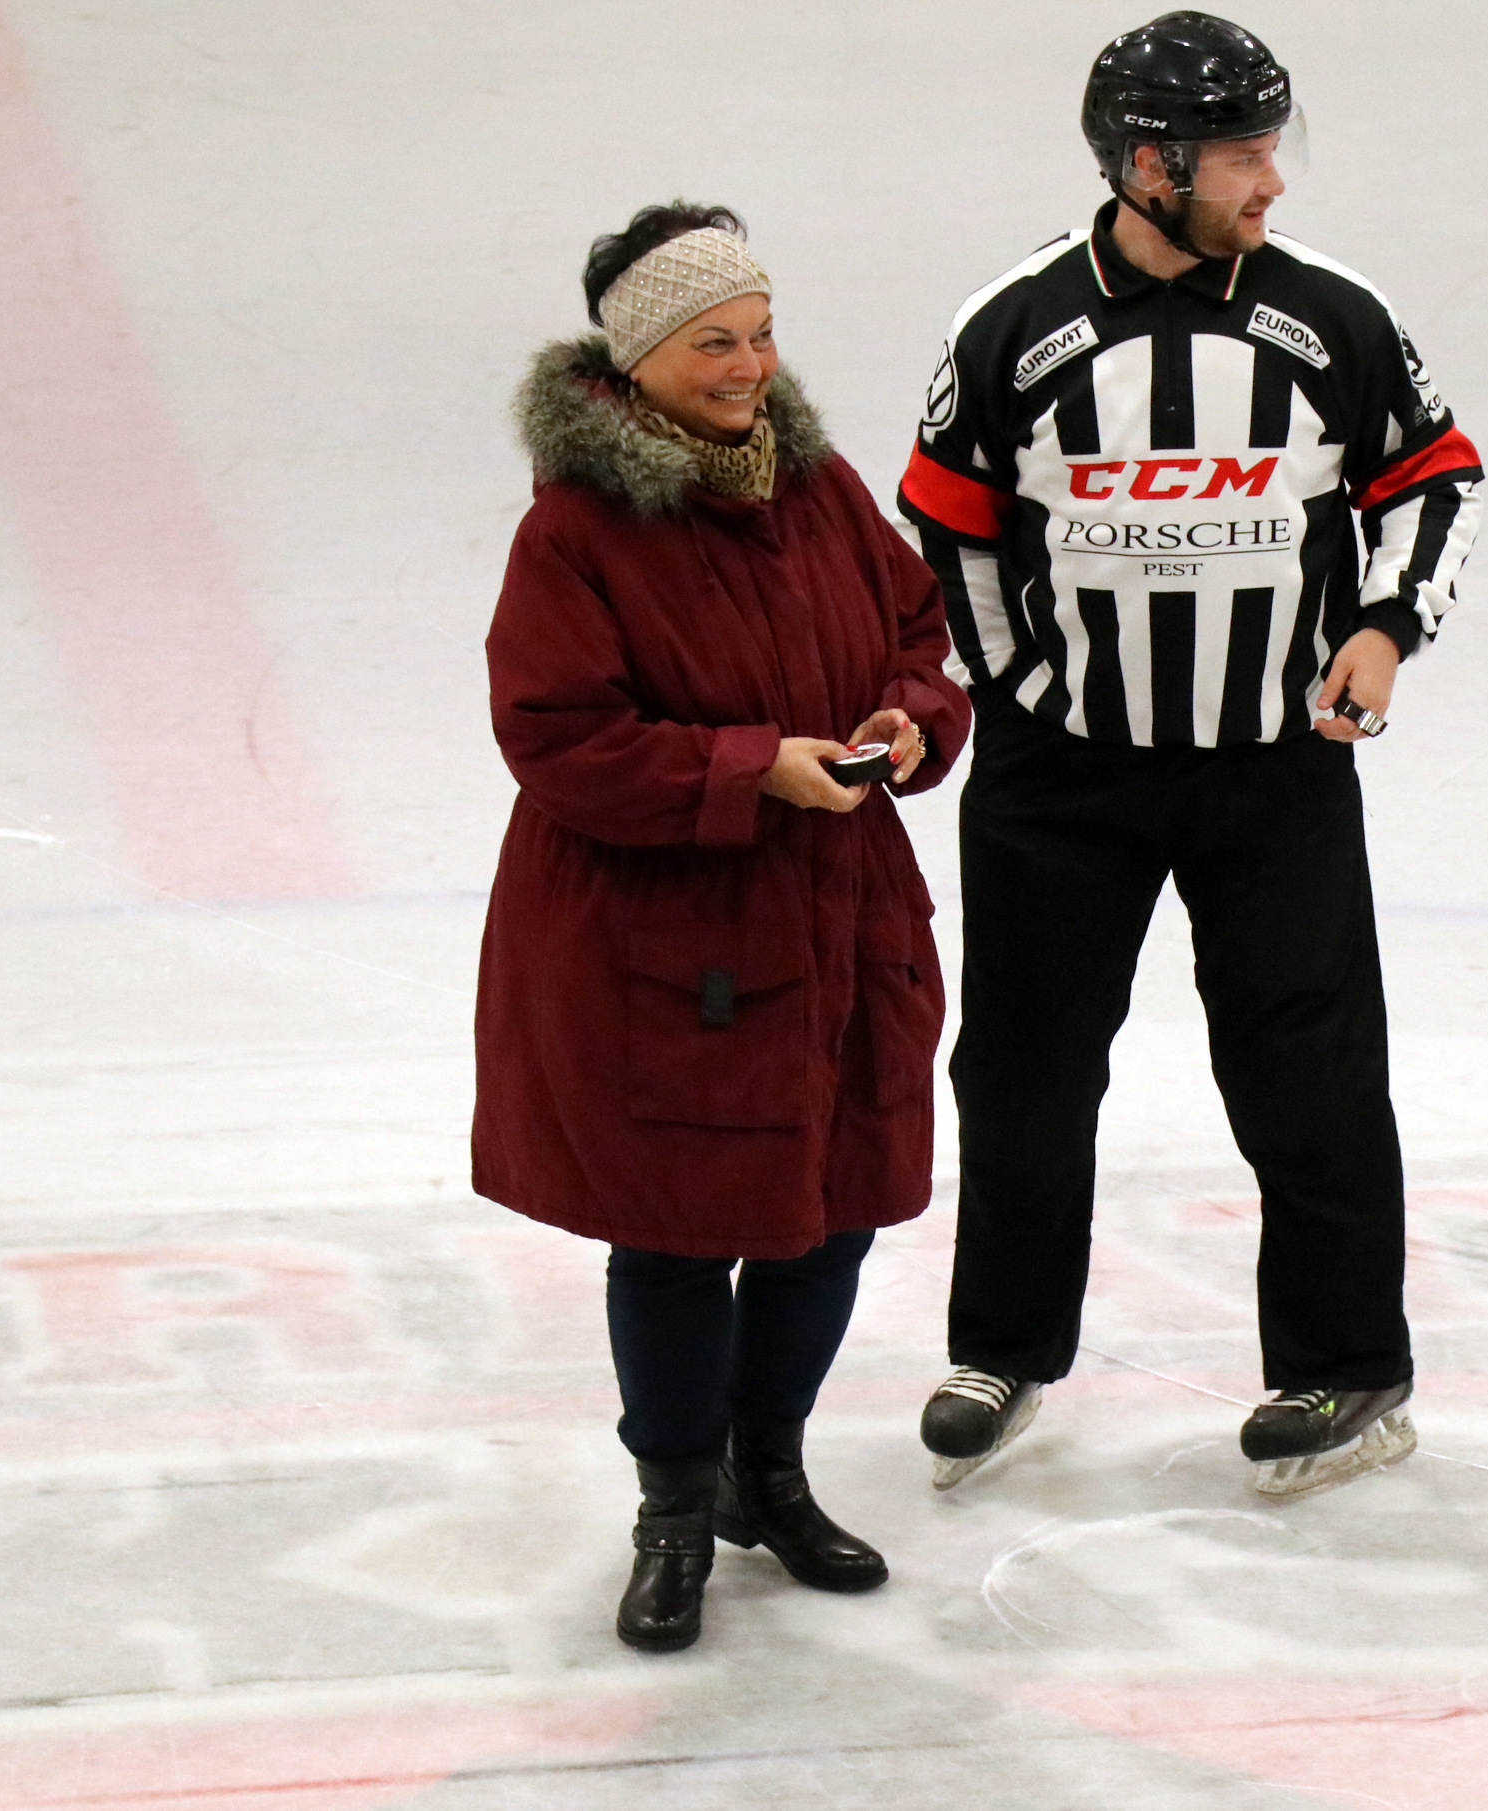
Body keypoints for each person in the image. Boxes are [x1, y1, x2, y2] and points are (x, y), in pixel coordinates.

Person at [895, 14, 1485, 1498]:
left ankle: (1347, 1365)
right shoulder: (1011, 324)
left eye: (1273, 149)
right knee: (1024, 1069)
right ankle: (1003, 1348)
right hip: (1060, 781)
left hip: (1272, 773)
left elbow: (1435, 478)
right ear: (1149, 165)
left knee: (1311, 1074)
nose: (1271, 181)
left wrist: (1385, 629)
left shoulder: (1335, 316)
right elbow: (949, 524)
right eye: (1242, 157)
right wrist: (1019, 688)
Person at [474, 202, 970, 1651]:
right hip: (672, 944)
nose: (750, 365)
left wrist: (909, 720)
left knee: (832, 1214)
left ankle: (770, 1472)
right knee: (682, 1237)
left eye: (760, 334)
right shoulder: (576, 530)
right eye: (713, 343)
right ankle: (676, 1511)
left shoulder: (819, 490)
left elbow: (918, 633)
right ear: (635, 361)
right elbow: (558, 737)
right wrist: (755, 770)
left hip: (840, 918)